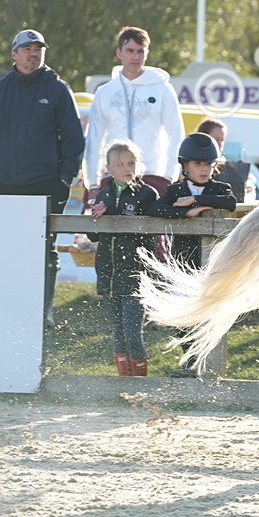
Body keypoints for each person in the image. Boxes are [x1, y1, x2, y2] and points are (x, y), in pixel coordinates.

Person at [0, 28, 84, 328]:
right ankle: (8, 308)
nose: (33, 53)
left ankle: (43, 311)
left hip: (47, 183)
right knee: (7, 247)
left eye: (38, 48)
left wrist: (64, 179)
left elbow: (73, 140)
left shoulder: (58, 89)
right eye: (26, 48)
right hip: (5, 184)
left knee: (45, 247)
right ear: (14, 54)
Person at [149, 132, 238, 376]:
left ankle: (201, 363)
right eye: (198, 164)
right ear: (185, 166)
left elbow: (230, 202)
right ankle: (192, 360)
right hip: (182, 262)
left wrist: (196, 199)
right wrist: (185, 213)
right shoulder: (175, 190)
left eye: (208, 164)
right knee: (181, 317)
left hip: (211, 262)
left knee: (207, 312)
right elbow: (155, 208)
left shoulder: (220, 188)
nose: (204, 169)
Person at [83, 26, 184, 196]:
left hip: (153, 176)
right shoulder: (104, 92)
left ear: (147, 53)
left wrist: (169, 176)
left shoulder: (163, 89)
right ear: (119, 53)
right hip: (111, 177)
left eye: (140, 51)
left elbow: (176, 134)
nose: (135, 57)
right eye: (130, 51)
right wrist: (93, 183)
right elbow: (95, 139)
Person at [88, 140, 159, 376]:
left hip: (136, 273)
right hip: (108, 272)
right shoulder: (104, 194)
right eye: (119, 165)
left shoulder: (147, 193)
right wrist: (96, 215)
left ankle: (139, 383)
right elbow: (93, 235)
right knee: (117, 332)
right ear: (108, 168)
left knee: (132, 332)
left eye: (131, 163)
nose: (126, 169)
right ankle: (125, 384)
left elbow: (152, 232)